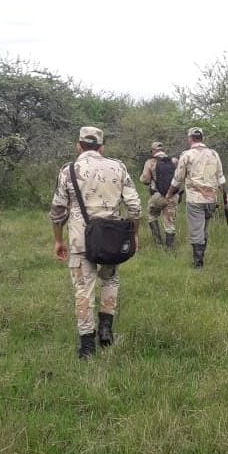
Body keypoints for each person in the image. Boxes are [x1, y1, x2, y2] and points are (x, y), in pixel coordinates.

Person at [49, 126, 141, 359]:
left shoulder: (68, 171)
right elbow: (135, 207)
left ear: (78, 145)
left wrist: (58, 240)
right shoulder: (118, 167)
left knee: (83, 289)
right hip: (111, 239)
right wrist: (134, 234)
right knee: (110, 280)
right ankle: (106, 329)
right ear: (101, 147)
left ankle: (87, 346)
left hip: (81, 240)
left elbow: (58, 211)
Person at [165, 126, 227, 268]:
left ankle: (198, 264)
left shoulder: (187, 155)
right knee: (204, 229)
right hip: (211, 198)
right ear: (202, 138)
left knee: (196, 230)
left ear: (190, 139)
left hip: (195, 199)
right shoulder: (214, 154)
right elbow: (221, 178)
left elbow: (177, 179)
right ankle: (201, 257)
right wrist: (225, 197)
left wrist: (169, 194)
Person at [139, 141, 179, 250]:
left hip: (158, 196)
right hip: (172, 196)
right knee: (169, 222)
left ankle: (158, 244)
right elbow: (179, 178)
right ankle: (169, 249)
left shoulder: (151, 162)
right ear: (163, 150)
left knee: (152, 215)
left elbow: (145, 179)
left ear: (153, 151)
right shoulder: (174, 161)